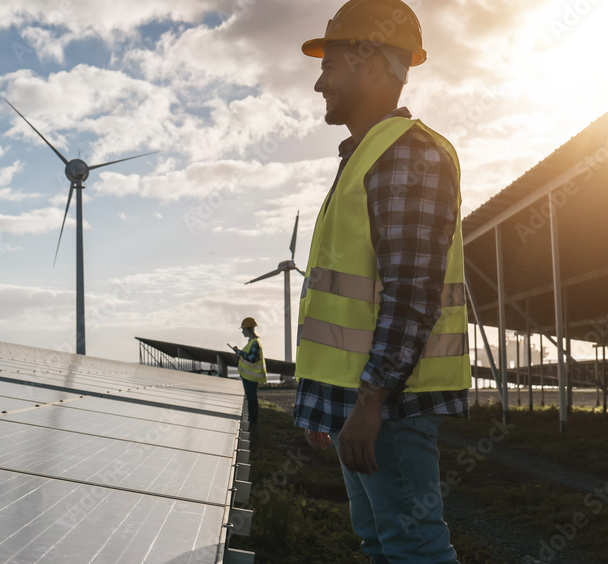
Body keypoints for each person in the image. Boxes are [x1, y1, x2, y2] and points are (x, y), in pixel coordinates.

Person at [293, 1, 471, 562]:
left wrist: (370, 400)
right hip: (359, 399)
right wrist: (325, 404)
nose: (320, 83)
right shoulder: (367, 156)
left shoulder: (408, 155)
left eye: (331, 64)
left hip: (386, 403)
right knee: (382, 543)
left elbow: (412, 288)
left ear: (371, 65)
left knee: (413, 547)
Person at [231, 317, 267, 427]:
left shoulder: (255, 343)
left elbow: (252, 358)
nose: (242, 332)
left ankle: (253, 422)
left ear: (248, 329)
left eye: (243, 329)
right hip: (248, 376)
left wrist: (240, 352)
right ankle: (253, 421)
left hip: (251, 377)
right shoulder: (252, 342)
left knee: (252, 399)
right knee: (251, 399)